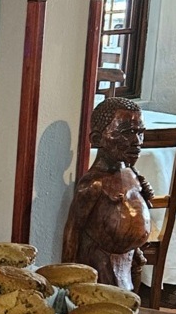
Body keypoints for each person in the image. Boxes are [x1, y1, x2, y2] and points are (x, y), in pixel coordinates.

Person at [62, 97, 154, 289]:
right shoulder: (94, 185)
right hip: (100, 271)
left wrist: (135, 248)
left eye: (140, 133)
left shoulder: (131, 174)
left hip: (128, 267)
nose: (137, 142)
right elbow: (73, 232)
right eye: (127, 133)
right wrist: (67, 278)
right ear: (97, 139)